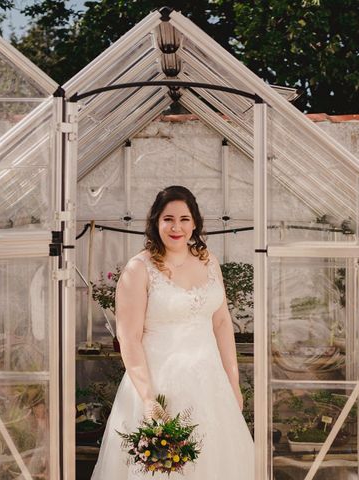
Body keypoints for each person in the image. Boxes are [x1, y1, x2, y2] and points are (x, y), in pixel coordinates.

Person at [91, 185, 254, 479]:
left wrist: (234, 381)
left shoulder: (208, 260)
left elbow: (221, 322)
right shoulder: (138, 269)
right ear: (156, 222)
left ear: (195, 223)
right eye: (168, 219)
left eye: (184, 219)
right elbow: (129, 338)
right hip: (159, 386)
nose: (176, 227)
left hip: (210, 386)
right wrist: (148, 399)